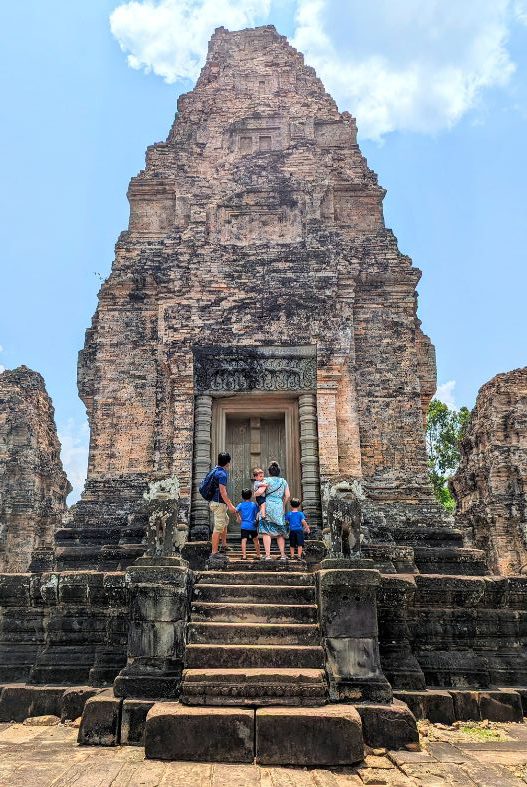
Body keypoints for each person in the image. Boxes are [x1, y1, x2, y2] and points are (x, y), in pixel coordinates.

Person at [258, 460, 290, 561]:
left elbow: (260, 492)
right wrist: (283, 505)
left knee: (266, 531)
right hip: (279, 506)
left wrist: (256, 494)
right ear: (279, 471)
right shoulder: (283, 481)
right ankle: (283, 555)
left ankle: (267, 556)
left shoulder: (266, 480)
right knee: (280, 532)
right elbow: (287, 495)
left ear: (269, 472)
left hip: (268, 505)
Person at [209, 452, 239, 557]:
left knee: (225, 521)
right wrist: (230, 505)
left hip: (216, 502)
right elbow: (223, 492)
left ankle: (224, 544)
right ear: (227, 462)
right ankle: (214, 552)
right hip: (219, 504)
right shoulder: (222, 474)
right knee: (218, 527)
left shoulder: (215, 470)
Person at [236, 488, 261, 560]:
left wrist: (238, 518)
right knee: (256, 540)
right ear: (251, 496)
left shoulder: (241, 505)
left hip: (244, 526)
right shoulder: (253, 505)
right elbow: (258, 512)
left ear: (242, 496)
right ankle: (258, 555)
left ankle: (244, 556)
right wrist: (257, 520)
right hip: (253, 525)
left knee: (244, 540)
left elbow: (235, 511)